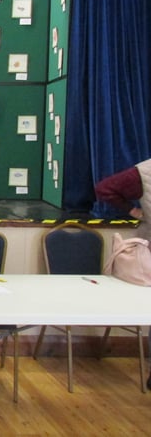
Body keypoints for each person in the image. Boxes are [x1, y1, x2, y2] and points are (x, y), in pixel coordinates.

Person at [94, 159, 151, 390]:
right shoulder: (145, 172)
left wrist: (136, 211)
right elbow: (105, 189)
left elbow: (106, 188)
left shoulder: (146, 170)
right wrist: (134, 210)